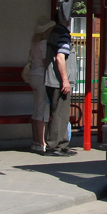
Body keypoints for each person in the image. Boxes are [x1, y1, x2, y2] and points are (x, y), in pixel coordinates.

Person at [44, 16, 76, 156]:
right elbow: (60, 57)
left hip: (53, 80)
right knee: (60, 114)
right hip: (58, 81)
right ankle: (54, 146)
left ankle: (62, 144)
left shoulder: (54, 33)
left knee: (61, 114)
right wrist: (65, 80)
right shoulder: (63, 35)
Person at [27, 16, 55, 153]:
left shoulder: (34, 42)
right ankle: (41, 142)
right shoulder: (44, 43)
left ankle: (35, 140)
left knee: (36, 109)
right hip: (42, 77)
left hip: (33, 76)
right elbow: (46, 63)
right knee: (42, 111)